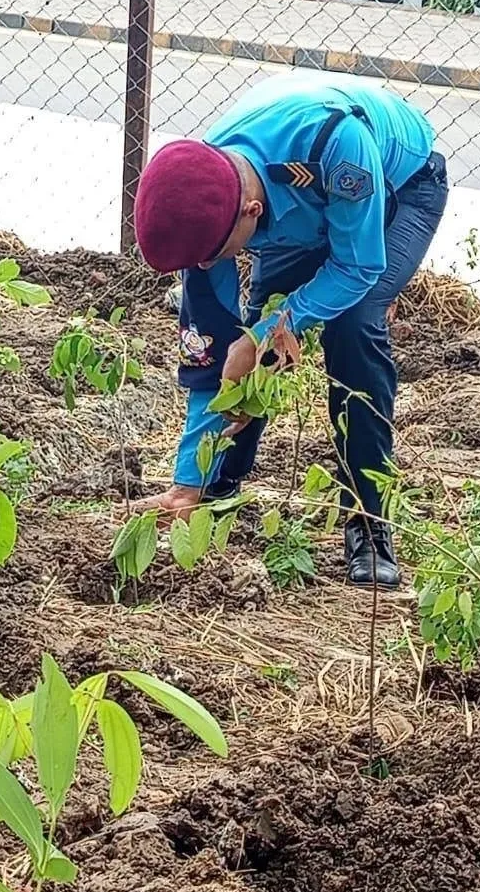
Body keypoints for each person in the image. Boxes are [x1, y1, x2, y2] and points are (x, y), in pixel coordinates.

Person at [132, 76, 449, 589]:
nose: (211, 266)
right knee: (252, 339)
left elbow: (358, 266)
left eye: (216, 256)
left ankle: (368, 521)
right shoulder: (203, 195)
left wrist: (269, 330)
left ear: (251, 213)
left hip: (397, 187)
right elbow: (208, 356)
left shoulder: (337, 146)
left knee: (352, 327)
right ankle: (216, 489)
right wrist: (186, 482)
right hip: (296, 211)